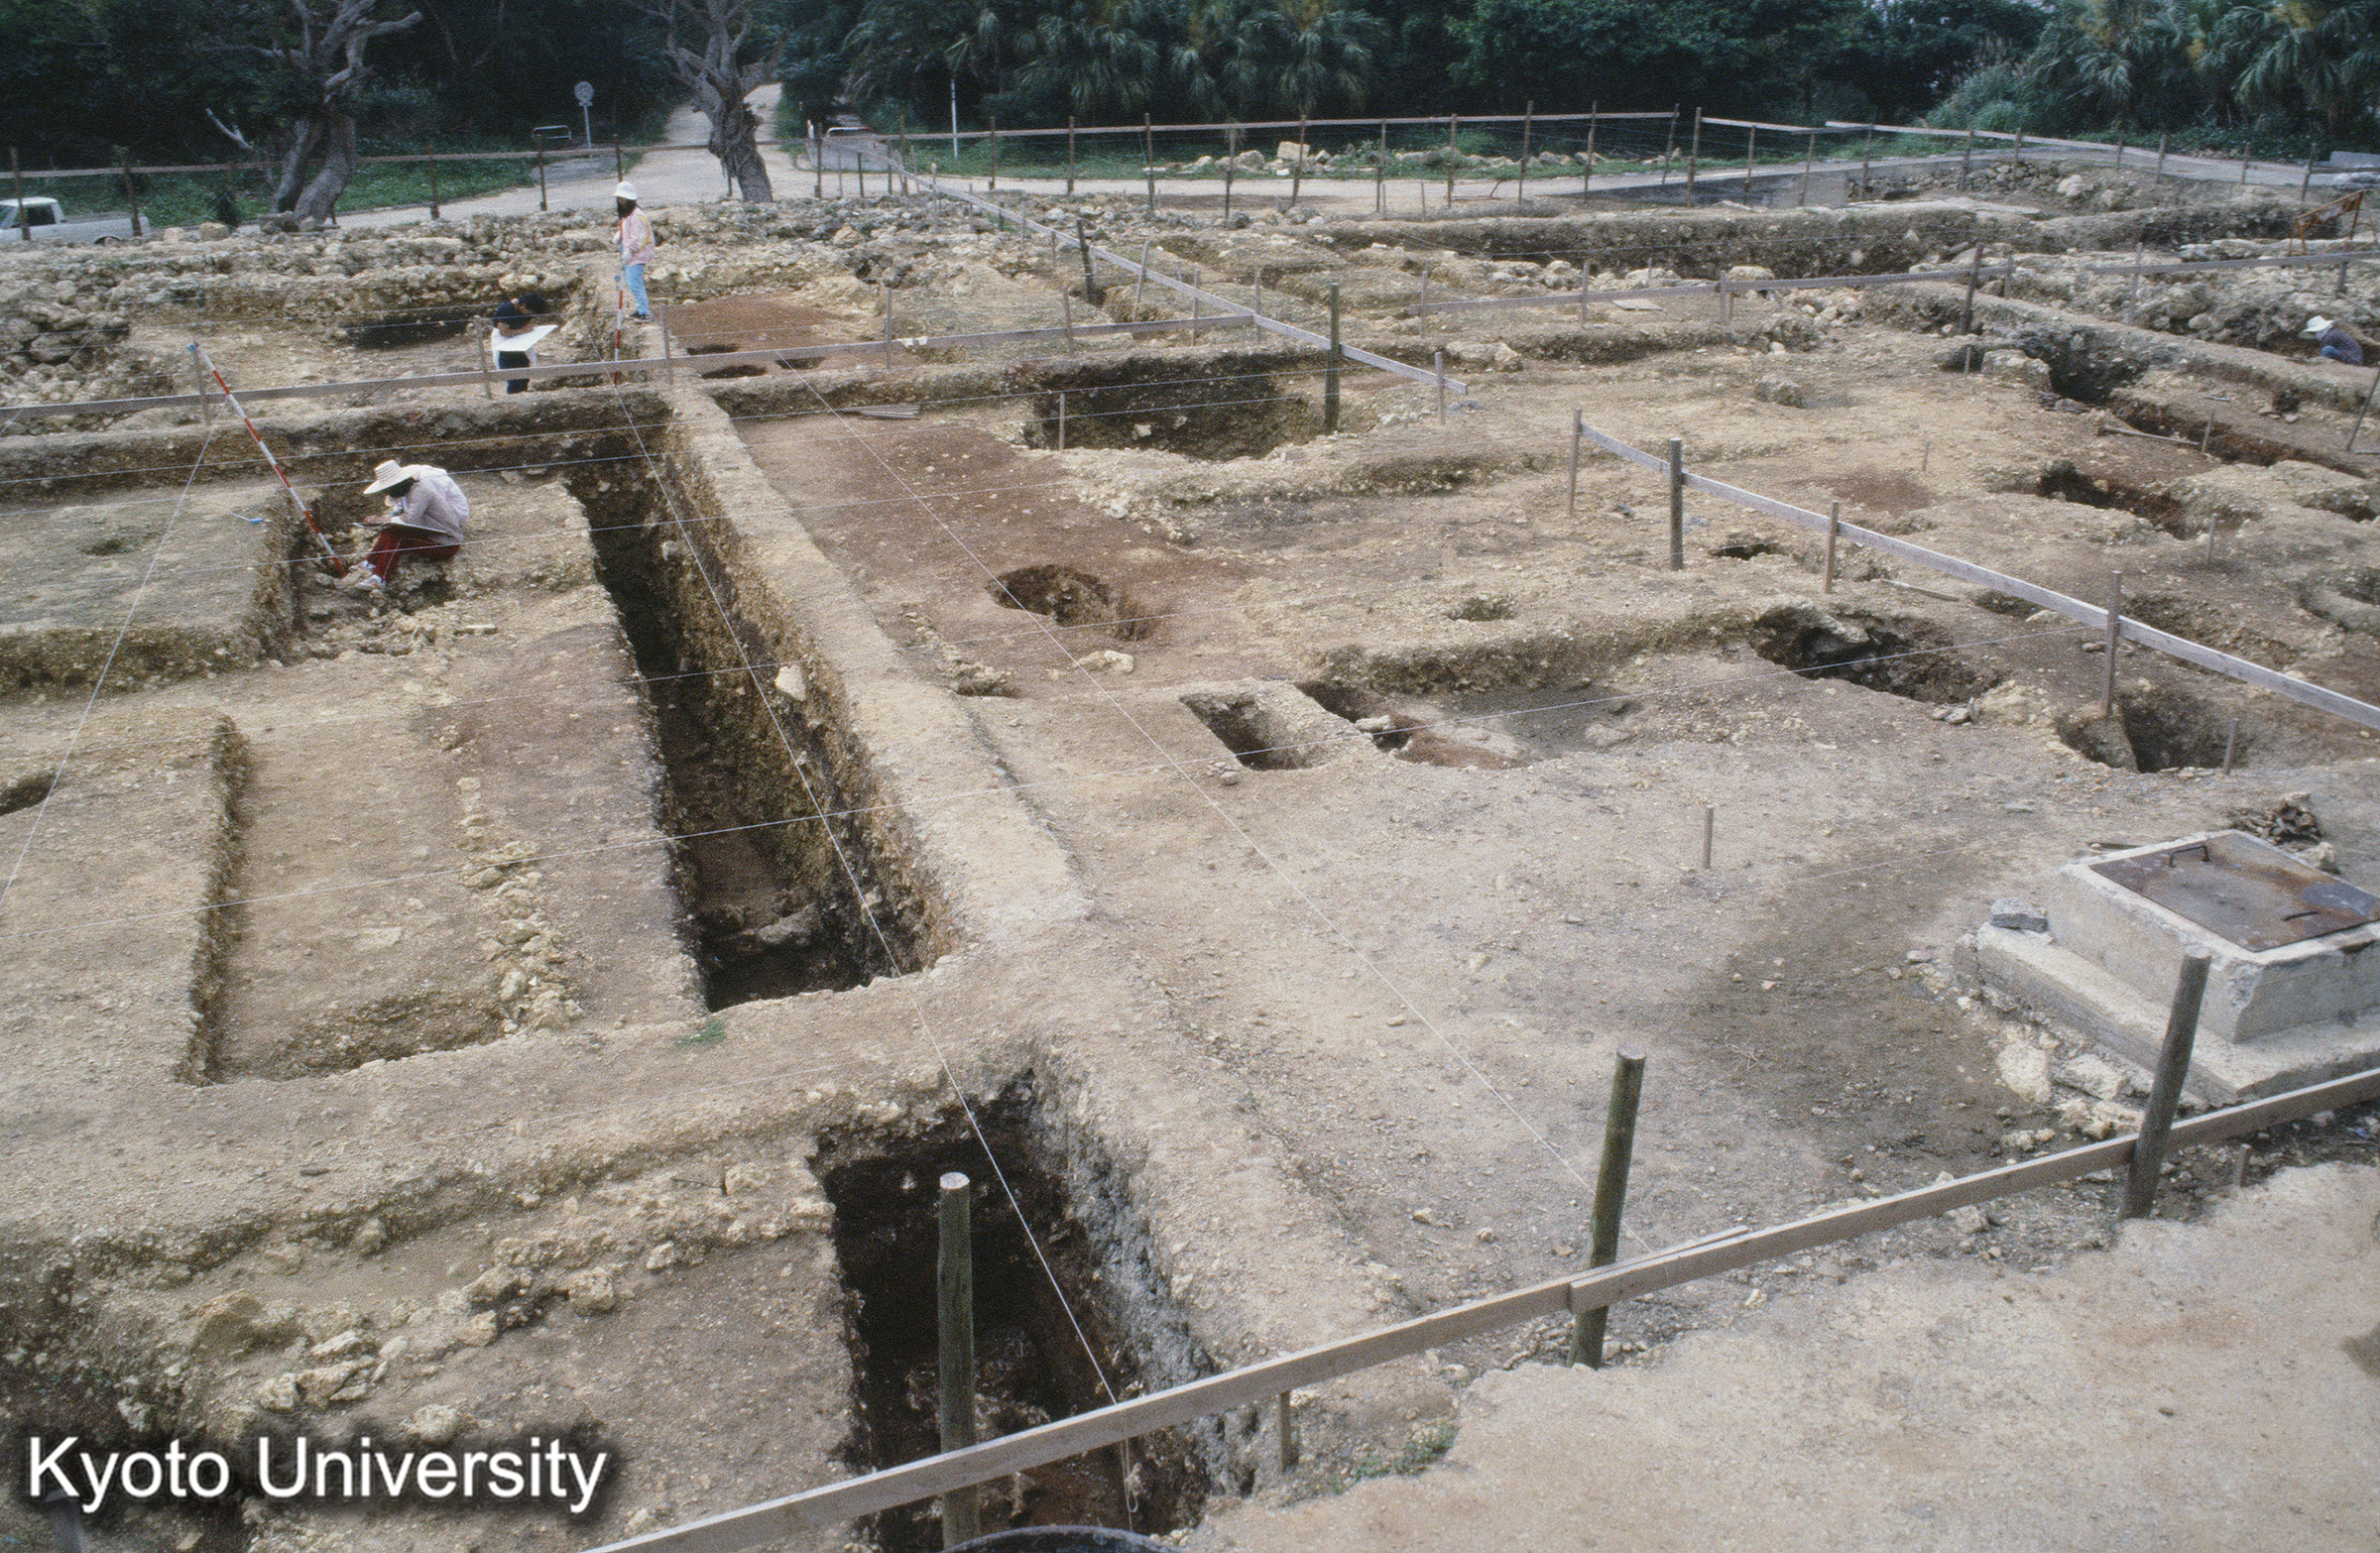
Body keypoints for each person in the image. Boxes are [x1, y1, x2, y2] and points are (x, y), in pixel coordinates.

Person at [346, 460, 469, 592]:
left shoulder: (421, 491)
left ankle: (379, 579)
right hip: (433, 536)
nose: (388, 493)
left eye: (388, 489)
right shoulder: (410, 492)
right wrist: (383, 521)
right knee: (390, 529)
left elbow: (410, 519)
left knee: (399, 538)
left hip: (446, 543)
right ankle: (369, 563)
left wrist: (382, 519)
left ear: (397, 484)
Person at [490, 299, 557, 395]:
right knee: (509, 365)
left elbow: (526, 323)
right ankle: (513, 392)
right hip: (505, 339)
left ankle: (523, 389)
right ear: (523, 305)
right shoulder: (506, 310)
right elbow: (504, 332)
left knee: (524, 362)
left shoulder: (526, 310)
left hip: (521, 339)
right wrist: (523, 331)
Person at [616, 181, 655, 322]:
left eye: (624, 199)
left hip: (637, 254)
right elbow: (627, 230)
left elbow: (638, 238)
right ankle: (640, 309)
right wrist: (619, 235)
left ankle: (644, 313)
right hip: (630, 253)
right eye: (620, 199)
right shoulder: (627, 214)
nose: (621, 202)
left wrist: (629, 251)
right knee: (632, 283)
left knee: (635, 284)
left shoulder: (637, 216)